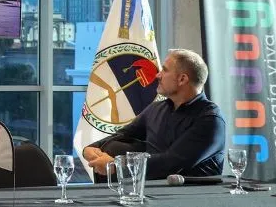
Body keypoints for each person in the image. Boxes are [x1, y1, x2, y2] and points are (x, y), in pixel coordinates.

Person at [82, 49, 225, 180]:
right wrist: (91, 148)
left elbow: (171, 163)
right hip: (154, 189)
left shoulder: (210, 120)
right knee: (113, 146)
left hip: (190, 194)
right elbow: (123, 134)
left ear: (182, 79)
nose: (157, 75)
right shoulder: (156, 109)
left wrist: (117, 166)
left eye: (165, 70)